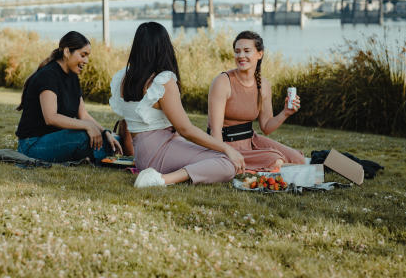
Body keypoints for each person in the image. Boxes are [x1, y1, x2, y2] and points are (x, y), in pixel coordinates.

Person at [109, 22, 246, 188]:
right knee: (227, 164)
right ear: (164, 47)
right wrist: (227, 148)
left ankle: (160, 175)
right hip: (159, 152)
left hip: (143, 155)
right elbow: (185, 129)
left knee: (216, 155)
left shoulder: (124, 77)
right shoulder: (162, 81)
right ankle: (160, 180)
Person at [16, 31, 122, 163]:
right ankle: (106, 155)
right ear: (67, 52)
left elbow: (83, 115)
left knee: (113, 138)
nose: (86, 61)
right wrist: (87, 127)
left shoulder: (73, 78)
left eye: (87, 56)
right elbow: (51, 118)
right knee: (84, 136)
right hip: (32, 145)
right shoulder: (48, 76)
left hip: (58, 138)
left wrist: (105, 132)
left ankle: (107, 150)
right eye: (83, 55)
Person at [207, 30, 304, 171]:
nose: (241, 56)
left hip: (251, 140)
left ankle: (279, 166)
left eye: (247, 51)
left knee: (298, 159)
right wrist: (225, 156)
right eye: (237, 51)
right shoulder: (222, 82)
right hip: (226, 145)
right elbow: (215, 132)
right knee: (275, 159)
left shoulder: (263, 85)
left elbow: (266, 127)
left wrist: (286, 113)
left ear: (260, 54)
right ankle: (273, 166)